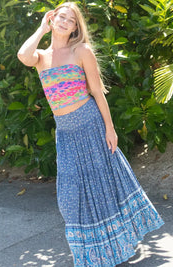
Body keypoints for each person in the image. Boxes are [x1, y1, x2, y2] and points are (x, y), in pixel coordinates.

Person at [17, 2, 164, 266]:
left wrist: (110, 129)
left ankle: (110, 249)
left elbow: (97, 92)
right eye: (61, 16)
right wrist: (40, 29)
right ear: (52, 18)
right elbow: (23, 56)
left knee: (104, 188)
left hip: (91, 125)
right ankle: (91, 250)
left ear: (75, 28)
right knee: (70, 198)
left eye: (71, 20)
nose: (64, 22)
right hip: (66, 134)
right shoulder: (41, 56)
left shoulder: (81, 50)